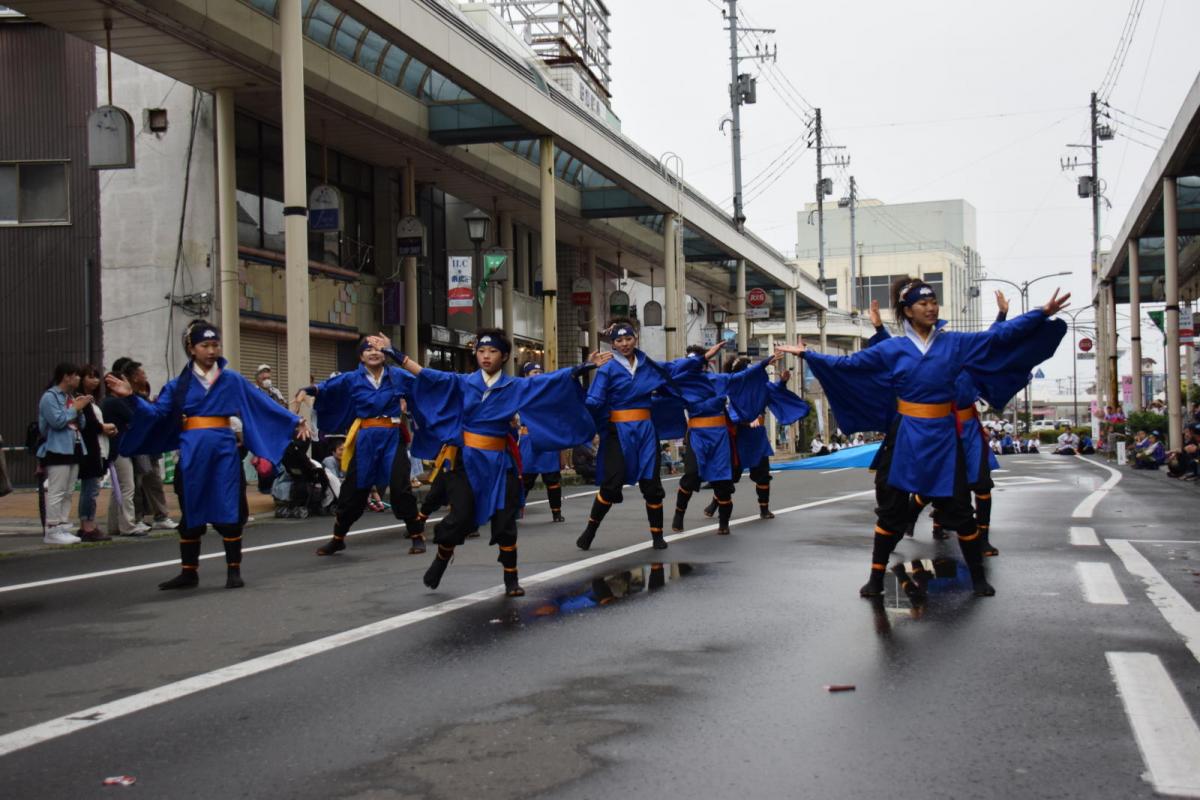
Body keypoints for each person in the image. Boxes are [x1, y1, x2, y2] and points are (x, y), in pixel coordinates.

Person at [781, 277, 1069, 599]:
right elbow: (849, 364)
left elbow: (999, 336)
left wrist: (1041, 313)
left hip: (944, 436)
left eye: (933, 303)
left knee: (960, 509)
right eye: (923, 303)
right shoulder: (892, 348)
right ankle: (875, 580)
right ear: (907, 311)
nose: (931, 308)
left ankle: (977, 579)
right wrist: (809, 355)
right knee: (891, 510)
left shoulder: (953, 344)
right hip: (906, 435)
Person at [371, 328, 604, 596]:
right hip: (465, 460)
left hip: (499, 461)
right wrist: (392, 353)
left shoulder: (515, 385)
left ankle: (511, 579)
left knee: (505, 521)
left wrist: (585, 366)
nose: (486, 356)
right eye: (481, 351)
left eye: (492, 351)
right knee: (460, 518)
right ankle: (442, 559)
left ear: (504, 356)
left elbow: (550, 381)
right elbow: (425, 374)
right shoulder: (462, 382)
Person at [108, 320, 307, 589]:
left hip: (224, 449)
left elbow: (260, 402)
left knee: (231, 508)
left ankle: (233, 571)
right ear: (191, 348)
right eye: (205, 345)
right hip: (192, 451)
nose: (212, 350)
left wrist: (293, 421)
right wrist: (131, 397)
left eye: (215, 345)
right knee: (191, 508)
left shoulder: (231, 379)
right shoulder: (178, 385)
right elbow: (157, 414)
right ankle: (189, 571)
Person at [886, 292, 1016, 557]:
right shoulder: (924, 361)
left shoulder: (963, 354)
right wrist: (878, 327)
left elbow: (989, 340)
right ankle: (911, 517)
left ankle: (983, 538)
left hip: (968, 428)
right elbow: (887, 356)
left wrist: (1002, 316)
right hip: (941, 427)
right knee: (934, 483)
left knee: (981, 484)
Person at [302, 338, 424, 556]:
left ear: (385, 354)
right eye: (368, 350)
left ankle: (416, 536)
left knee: (400, 487)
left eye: (378, 349)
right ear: (360, 356)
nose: (374, 353)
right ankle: (338, 538)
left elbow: (423, 382)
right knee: (353, 491)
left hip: (392, 436)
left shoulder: (398, 376)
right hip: (366, 438)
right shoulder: (351, 378)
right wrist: (310, 390)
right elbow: (328, 387)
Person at [576, 319, 679, 552]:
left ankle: (657, 536)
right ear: (613, 344)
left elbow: (673, 374)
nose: (624, 344)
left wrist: (701, 361)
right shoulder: (608, 369)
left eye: (628, 339)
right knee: (611, 486)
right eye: (619, 340)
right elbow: (594, 400)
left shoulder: (648, 365)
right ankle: (590, 529)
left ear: (636, 339)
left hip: (645, 430)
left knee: (651, 485)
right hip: (617, 431)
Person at [668, 343, 776, 535]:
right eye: (689, 362)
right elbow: (657, 384)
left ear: (706, 362)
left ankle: (724, 524)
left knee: (723, 481)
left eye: (697, 361)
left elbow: (742, 377)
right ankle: (678, 516)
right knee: (691, 474)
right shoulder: (680, 382)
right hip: (697, 435)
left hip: (719, 435)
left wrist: (765, 363)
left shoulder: (719, 380)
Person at [697, 356, 809, 524]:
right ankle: (715, 503)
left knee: (762, 473)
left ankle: (764, 509)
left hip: (756, 435)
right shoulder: (731, 385)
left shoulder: (762, 386)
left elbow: (775, 390)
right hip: (737, 434)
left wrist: (783, 382)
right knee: (729, 475)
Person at [38, 363, 90, 545]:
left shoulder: (71, 396)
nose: (79, 379)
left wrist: (80, 408)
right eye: (76, 375)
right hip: (57, 447)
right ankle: (52, 530)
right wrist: (75, 408)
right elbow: (57, 422)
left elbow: (81, 425)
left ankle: (62, 526)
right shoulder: (49, 397)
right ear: (66, 377)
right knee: (57, 490)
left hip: (75, 445)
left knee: (68, 490)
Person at [101, 359, 150, 537]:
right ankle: (127, 525)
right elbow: (135, 419)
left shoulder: (105, 402)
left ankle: (115, 525)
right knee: (127, 487)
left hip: (113, 449)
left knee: (118, 489)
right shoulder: (116, 403)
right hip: (121, 449)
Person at [517, 362, 566, 522]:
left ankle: (556, 512)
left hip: (547, 437)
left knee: (552, 478)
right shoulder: (520, 391)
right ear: (526, 375)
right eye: (534, 372)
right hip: (528, 439)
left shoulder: (549, 392)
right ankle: (517, 510)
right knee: (525, 478)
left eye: (540, 371)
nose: (538, 374)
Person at [75, 365, 115, 542]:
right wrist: (103, 428)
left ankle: (86, 524)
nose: (95, 380)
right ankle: (88, 526)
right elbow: (88, 424)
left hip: (98, 447)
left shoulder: (92, 401)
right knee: (91, 489)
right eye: (90, 377)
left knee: (89, 489)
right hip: (91, 449)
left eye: (96, 377)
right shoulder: (81, 400)